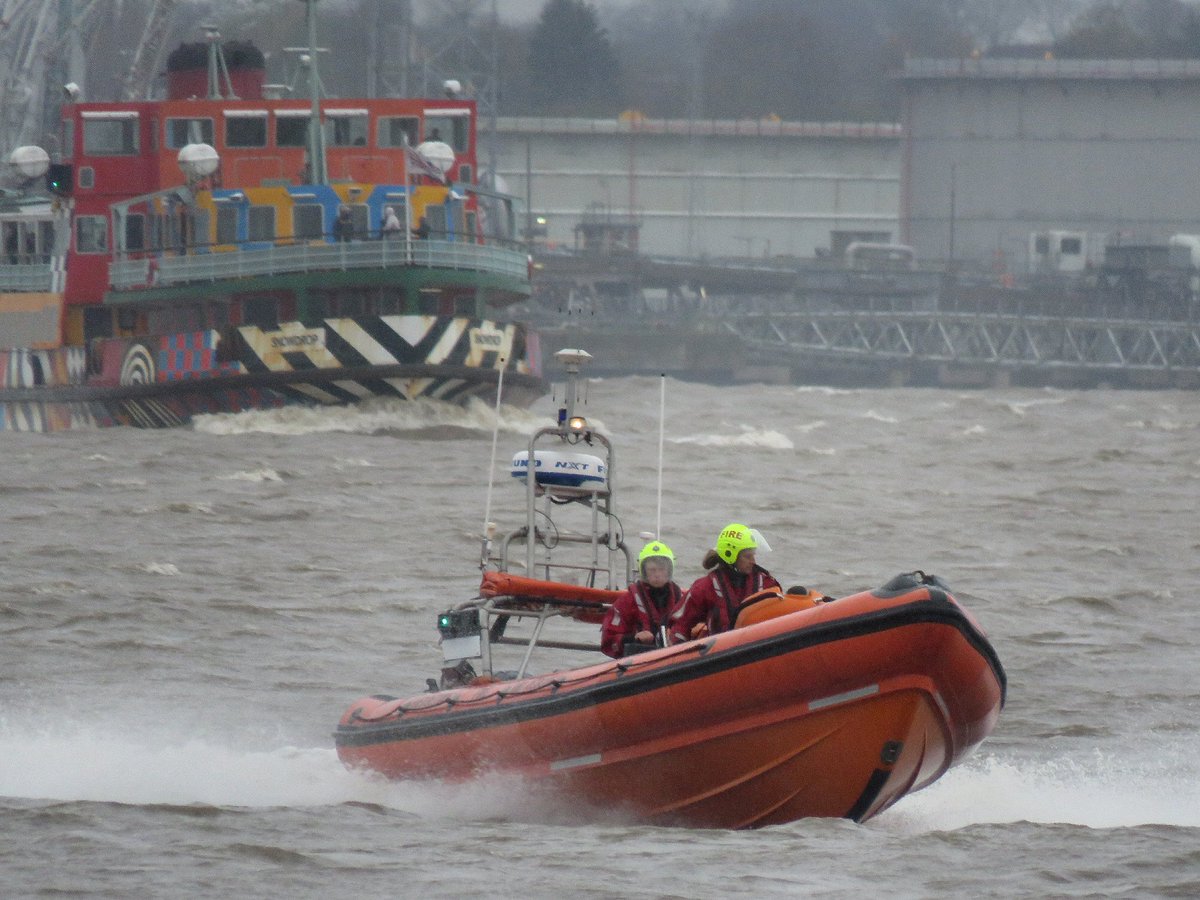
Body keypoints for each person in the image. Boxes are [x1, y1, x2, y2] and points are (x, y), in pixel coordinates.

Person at [667, 523, 780, 644]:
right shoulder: (706, 587)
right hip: (721, 651)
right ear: (731, 556)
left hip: (759, 644)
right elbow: (680, 623)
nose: (753, 561)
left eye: (753, 555)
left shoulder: (766, 583)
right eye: (747, 556)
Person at [600, 540, 683, 659]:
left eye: (661, 569)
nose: (657, 574)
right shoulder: (628, 601)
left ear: (669, 570)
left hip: (675, 656)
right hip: (639, 659)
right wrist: (634, 638)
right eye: (652, 570)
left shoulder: (679, 597)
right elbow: (608, 640)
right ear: (644, 571)